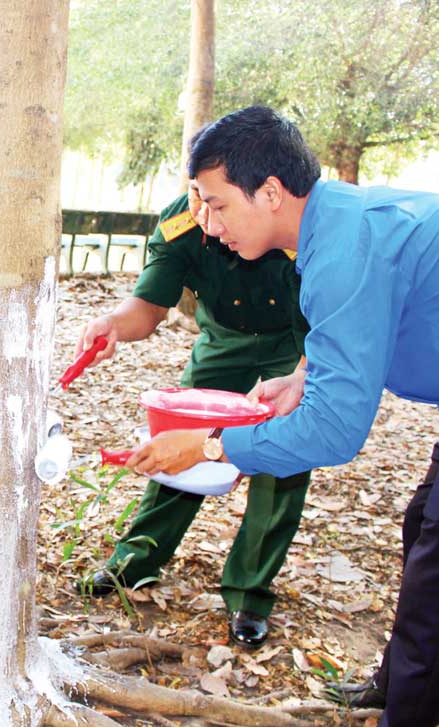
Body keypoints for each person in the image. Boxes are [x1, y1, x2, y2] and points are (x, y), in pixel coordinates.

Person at [129, 106, 439, 727]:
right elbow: (370, 313)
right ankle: (394, 687)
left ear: (271, 192)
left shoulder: (343, 249)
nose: (207, 221)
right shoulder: (334, 225)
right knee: (426, 526)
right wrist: (303, 375)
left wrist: (207, 445)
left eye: (217, 204)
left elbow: (337, 433)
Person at [76, 186, 310, 648]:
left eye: (216, 201)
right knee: (178, 445)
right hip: (222, 346)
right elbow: (149, 307)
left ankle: (249, 593)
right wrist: (114, 325)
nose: (205, 214)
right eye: (196, 195)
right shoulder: (180, 223)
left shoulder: (288, 222)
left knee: (280, 464)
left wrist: (305, 376)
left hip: (294, 348)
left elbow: (326, 324)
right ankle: (136, 560)